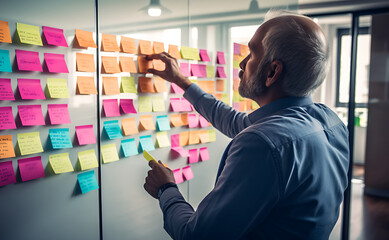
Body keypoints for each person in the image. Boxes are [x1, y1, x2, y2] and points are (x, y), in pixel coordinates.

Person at [143, 11, 349, 240]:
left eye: (251, 53)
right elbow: (235, 122)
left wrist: (166, 189)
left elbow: (197, 236)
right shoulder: (331, 122)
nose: (241, 63)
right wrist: (181, 81)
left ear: (272, 72)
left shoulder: (261, 144)